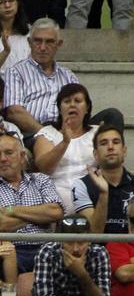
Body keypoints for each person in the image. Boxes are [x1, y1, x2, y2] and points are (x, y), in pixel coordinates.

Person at [0, 132, 65, 272]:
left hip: (45, 247)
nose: (3, 159)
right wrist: (40, 216)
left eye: (9, 152)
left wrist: (12, 210)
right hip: (8, 251)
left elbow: (56, 212)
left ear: (22, 156)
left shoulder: (41, 180)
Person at [0, 20, 80, 136]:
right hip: (32, 133)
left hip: (65, 130)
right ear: (29, 42)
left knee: (111, 115)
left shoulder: (69, 76)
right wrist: (47, 134)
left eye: (49, 42)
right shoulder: (15, 72)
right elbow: (14, 112)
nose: (42, 47)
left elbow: (80, 109)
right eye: (37, 41)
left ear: (59, 44)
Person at [33, 84, 101, 218]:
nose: (72, 105)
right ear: (59, 108)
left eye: (78, 101)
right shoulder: (47, 133)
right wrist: (65, 142)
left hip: (91, 194)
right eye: (67, 101)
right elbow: (44, 168)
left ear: (87, 108)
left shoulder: (97, 132)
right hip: (55, 199)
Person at [31, 216, 111, 296]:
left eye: (81, 242)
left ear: (89, 241)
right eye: (69, 242)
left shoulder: (99, 253)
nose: (75, 249)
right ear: (60, 241)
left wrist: (83, 275)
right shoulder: (48, 252)